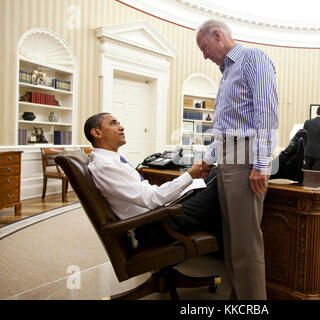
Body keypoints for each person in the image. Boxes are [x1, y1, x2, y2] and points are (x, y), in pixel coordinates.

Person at [196, 19, 278, 300]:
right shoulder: (226, 72)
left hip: (245, 156)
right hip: (227, 157)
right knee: (231, 241)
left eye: (205, 47)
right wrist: (207, 159)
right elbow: (224, 128)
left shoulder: (253, 58)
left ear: (217, 35)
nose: (204, 55)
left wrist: (261, 163)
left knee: (246, 245)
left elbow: (266, 112)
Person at [84, 112, 222, 249]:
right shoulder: (105, 165)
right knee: (218, 177)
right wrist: (190, 174)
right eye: (113, 123)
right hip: (151, 226)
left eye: (119, 123)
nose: (121, 127)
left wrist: (189, 179)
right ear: (96, 133)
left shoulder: (113, 157)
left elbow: (147, 193)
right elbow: (152, 198)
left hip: (154, 216)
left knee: (210, 177)